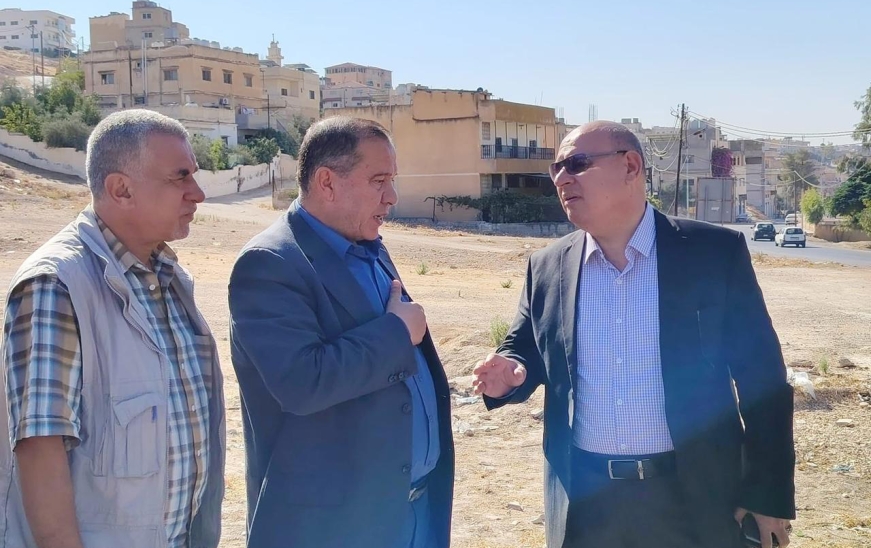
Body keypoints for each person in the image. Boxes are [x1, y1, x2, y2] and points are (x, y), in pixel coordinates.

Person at [472, 120, 794, 548]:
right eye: (556, 168)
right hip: (586, 506)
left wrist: (767, 493)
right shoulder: (548, 267)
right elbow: (526, 348)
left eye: (577, 164)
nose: (562, 179)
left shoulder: (712, 254)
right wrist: (510, 372)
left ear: (630, 166)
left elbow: (763, 380)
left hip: (695, 499)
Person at [0, 109, 226, 548]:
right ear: (121, 189)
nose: (197, 194)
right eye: (180, 177)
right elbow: (41, 449)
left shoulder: (167, 278)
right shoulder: (55, 285)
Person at [228, 116, 454, 548]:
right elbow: (302, 382)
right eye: (379, 181)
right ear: (327, 182)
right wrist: (396, 331)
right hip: (335, 528)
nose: (392, 196)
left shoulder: (367, 245)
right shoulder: (270, 263)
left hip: (410, 511)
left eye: (392, 181)